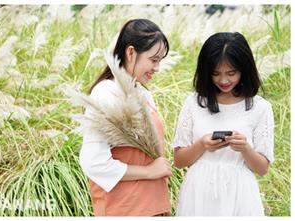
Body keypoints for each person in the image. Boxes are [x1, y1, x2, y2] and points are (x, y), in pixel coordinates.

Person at [77, 19, 172, 216]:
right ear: (130, 52)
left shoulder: (144, 93)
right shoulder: (105, 93)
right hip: (126, 209)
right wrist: (149, 172)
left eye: (160, 61)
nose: (157, 68)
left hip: (154, 206)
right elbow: (94, 162)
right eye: (153, 60)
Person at [172, 32, 273, 216]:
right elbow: (179, 161)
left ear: (244, 69)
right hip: (198, 191)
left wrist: (245, 148)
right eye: (216, 74)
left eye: (231, 73)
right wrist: (202, 144)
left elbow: (262, 168)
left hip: (240, 193)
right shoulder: (194, 102)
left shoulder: (260, 107)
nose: (224, 81)